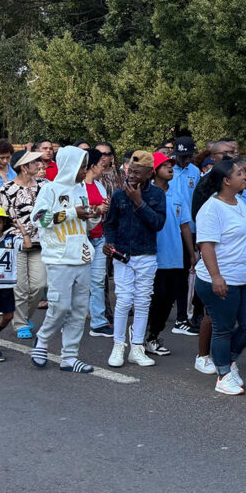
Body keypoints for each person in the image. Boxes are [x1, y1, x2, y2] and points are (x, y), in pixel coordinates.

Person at [192, 160, 246, 395]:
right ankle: (223, 375)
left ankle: (229, 359)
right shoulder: (211, 209)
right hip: (221, 279)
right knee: (222, 328)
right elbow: (206, 246)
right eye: (240, 173)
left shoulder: (240, 202)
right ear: (226, 180)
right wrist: (216, 277)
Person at [30, 146, 101, 373]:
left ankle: (70, 356)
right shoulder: (50, 189)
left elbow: (84, 224)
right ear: (70, 166)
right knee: (59, 306)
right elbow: (38, 219)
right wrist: (72, 212)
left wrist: (94, 216)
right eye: (81, 167)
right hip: (59, 258)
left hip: (82, 256)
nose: (84, 171)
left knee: (79, 310)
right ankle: (42, 340)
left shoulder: (81, 189)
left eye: (85, 167)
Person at [103, 151, 166, 368]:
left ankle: (137, 346)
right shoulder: (119, 195)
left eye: (137, 173)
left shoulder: (157, 194)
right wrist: (109, 242)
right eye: (130, 171)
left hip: (146, 255)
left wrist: (139, 202)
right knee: (123, 300)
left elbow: (158, 223)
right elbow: (110, 224)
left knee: (142, 301)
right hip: (123, 255)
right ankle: (118, 345)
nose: (131, 176)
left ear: (149, 173)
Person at [145, 152, 196, 357]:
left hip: (174, 255)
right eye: (164, 165)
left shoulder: (177, 194)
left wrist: (191, 253)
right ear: (154, 170)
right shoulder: (145, 193)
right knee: (154, 298)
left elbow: (184, 225)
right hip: (152, 255)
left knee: (167, 300)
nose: (170, 168)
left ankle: (153, 336)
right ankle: (143, 335)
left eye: (171, 165)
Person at [0, 151, 46, 339]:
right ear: (24, 167)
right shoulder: (7, 189)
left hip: (40, 243)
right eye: (34, 162)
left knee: (39, 284)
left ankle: (24, 317)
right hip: (15, 243)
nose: (39, 164)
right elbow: (1, 219)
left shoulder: (44, 185)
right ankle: (21, 325)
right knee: (20, 287)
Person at [0, 206, 31, 361]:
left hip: (6, 283)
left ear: (4, 222)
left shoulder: (11, 239)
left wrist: (21, 228)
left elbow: (28, 245)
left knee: (9, 316)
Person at [81, 149, 112, 338]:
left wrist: (103, 209)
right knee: (78, 281)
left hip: (99, 237)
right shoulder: (77, 186)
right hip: (82, 239)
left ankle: (98, 322)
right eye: (101, 164)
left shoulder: (99, 186)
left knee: (98, 280)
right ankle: (70, 319)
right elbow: (77, 211)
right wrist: (97, 210)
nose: (103, 168)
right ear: (92, 166)